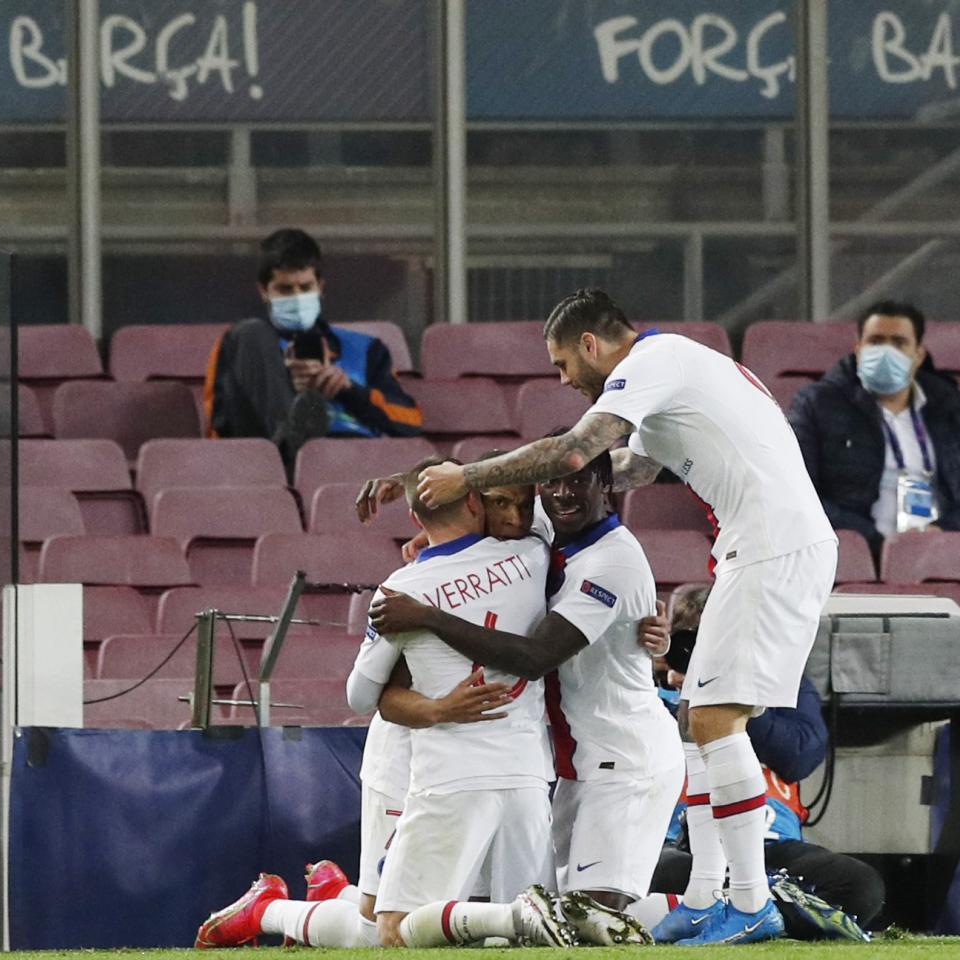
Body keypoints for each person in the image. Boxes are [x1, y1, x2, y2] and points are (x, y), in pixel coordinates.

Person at [370, 288, 837, 945]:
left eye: (563, 365)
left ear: (590, 344)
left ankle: (752, 902)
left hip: (770, 544)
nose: (564, 380)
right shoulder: (677, 372)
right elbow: (613, 469)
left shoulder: (651, 363)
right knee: (702, 717)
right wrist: (446, 514)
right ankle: (709, 897)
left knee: (712, 718)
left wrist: (468, 478)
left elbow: (574, 454)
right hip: (765, 543)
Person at [193, 472, 553, 950]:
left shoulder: (522, 551)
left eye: (522, 506)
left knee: (430, 921)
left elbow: (361, 692)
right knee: (379, 924)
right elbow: (370, 700)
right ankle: (272, 910)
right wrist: (439, 707)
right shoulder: (518, 557)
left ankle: (324, 896)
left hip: (485, 763)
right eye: (501, 503)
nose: (514, 516)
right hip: (407, 755)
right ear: (475, 503)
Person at [369, 449, 679, 946]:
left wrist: (428, 614)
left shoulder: (612, 561)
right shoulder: (547, 521)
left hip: (625, 760)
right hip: (569, 762)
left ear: (605, 483)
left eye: (577, 482)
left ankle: (730, 899)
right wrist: (417, 492)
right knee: (548, 922)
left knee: (579, 924)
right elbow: (486, 500)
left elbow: (535, 657)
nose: (560, 493)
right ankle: (715, 899)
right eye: (550, 484)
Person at [628, 585, 882, 940]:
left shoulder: (778, 685)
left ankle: (749, 908)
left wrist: (727, 696)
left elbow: (801, 755)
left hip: (772, 840)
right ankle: (770, 909)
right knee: (656, 872)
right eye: (702, 646)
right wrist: (672, 685)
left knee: (860, 884)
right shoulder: (653, 694)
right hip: (684, 844)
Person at [786, 301, 960, 566]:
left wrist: (946, 531)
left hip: (943, 548)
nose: (886, 352)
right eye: (876, 341)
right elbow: (800, 494)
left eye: (899, 343)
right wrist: (876, 543)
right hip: (859, 552)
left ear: (918, 355)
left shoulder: (954, 407)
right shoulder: (817, 405)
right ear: (858, 349)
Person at [205, 229, 422, 459]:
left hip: (354, 460)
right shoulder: (244, 347)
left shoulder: (366, 349)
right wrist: (285, 389)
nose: (297, 297)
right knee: (249, 332)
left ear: (320, 286)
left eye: (305, 287)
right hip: (275, 463)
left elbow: (411, 422)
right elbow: (221, 427)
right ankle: (291, 439)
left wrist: (348, 390)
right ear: (264, 291)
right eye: (285, 289)